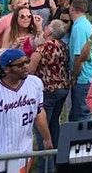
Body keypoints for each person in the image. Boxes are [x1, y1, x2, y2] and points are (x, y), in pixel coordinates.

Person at [27, 20, 70, 173]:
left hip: (48, 90)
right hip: (63, 88)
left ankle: (45, 167)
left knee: (42, 128)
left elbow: (30, 69)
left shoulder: (42, 48)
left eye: (47, 27)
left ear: (49, 32)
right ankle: (60, 161)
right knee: (54, 125)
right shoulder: (64, 46)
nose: (44, 28)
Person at [68, 0, 92, 122]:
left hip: (84, 77)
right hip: (91, 74)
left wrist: (74, 76)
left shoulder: (79, 28)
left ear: (71, 9)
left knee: (81, 115)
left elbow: (80, 57)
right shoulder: (86, 24)